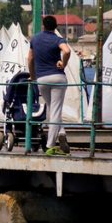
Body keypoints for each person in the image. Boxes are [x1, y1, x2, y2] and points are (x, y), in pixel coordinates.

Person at [29, 15, 72, 156]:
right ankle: (49, 146)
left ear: (43, 25)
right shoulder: (57, 39)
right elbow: (67, 51)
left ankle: (61, 132)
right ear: (56, 27)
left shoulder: (34, 39)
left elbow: (30, 58)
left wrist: (33, 76)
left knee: (51, 109)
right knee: (56, 111)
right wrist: (63, 64)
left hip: (41, 79)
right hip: (58, 78)